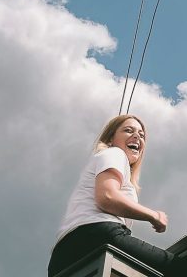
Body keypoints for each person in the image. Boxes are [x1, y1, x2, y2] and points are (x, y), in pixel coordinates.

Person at [48, 114, 175, 277]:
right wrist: (153, 215)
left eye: (141, 135)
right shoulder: (115, 153)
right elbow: (107, 196)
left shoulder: (114, 163)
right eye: (128, 131)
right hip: (96, 235)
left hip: (63, 257)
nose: (137, 136)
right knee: (179, 268)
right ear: (110, 139)